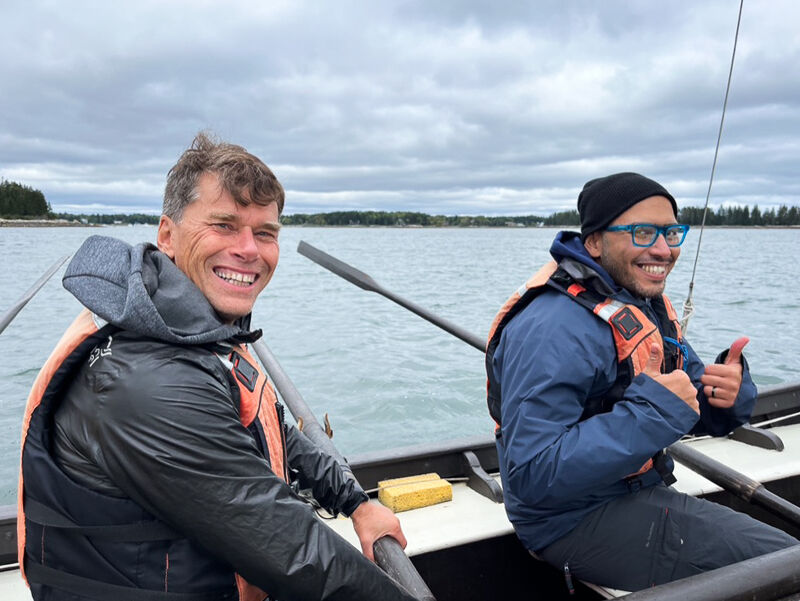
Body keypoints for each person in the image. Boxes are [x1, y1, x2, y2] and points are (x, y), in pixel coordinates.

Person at [18, 132, 419, 601]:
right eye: (225, 225)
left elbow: (273, 430)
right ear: (167, 236)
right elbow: (292, 551)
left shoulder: (190, 330)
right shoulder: (146, 380)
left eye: (265, 233)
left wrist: (354, 501)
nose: (249, 249)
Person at [486, 172, 798, 591]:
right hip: (570, 520)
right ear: (595, 241)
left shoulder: (639, 300)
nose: (664, 249)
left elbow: (681, 398)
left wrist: (722, 397)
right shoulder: (554, 327)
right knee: (787, 566)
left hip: (634, 488)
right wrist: (653, 411)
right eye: (642, 232)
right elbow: (531, 474)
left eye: (671, 232)